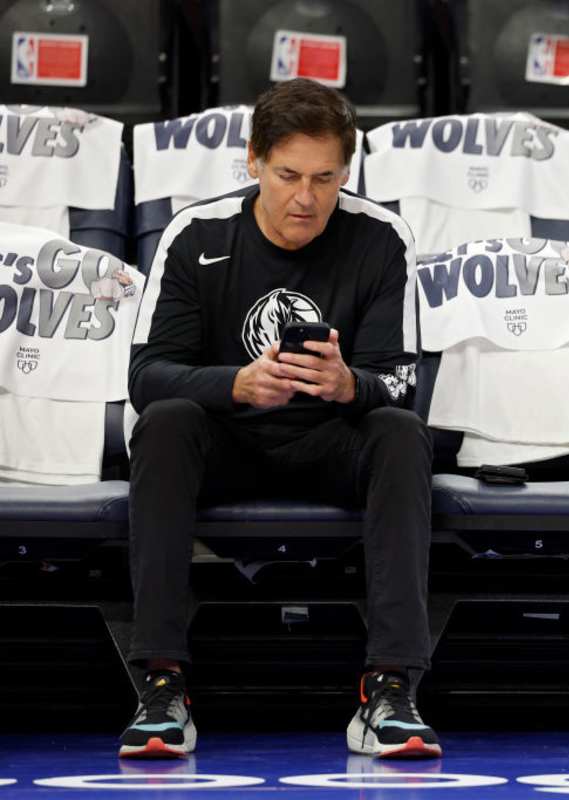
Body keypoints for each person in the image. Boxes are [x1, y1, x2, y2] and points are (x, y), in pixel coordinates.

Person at [119, 78, 438, 759]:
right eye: (289, 175)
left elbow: (400, 382)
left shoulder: (380, 238)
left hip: (331, 443)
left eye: (326, 178)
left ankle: (391, 689)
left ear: (346, 171)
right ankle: (162, 685)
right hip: (228, 442)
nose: (306, 197)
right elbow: (146, 377)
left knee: (401, 434)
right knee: (166, 423)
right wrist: (236, 384)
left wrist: (349, 384)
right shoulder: (196, 233)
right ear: (253, 161)